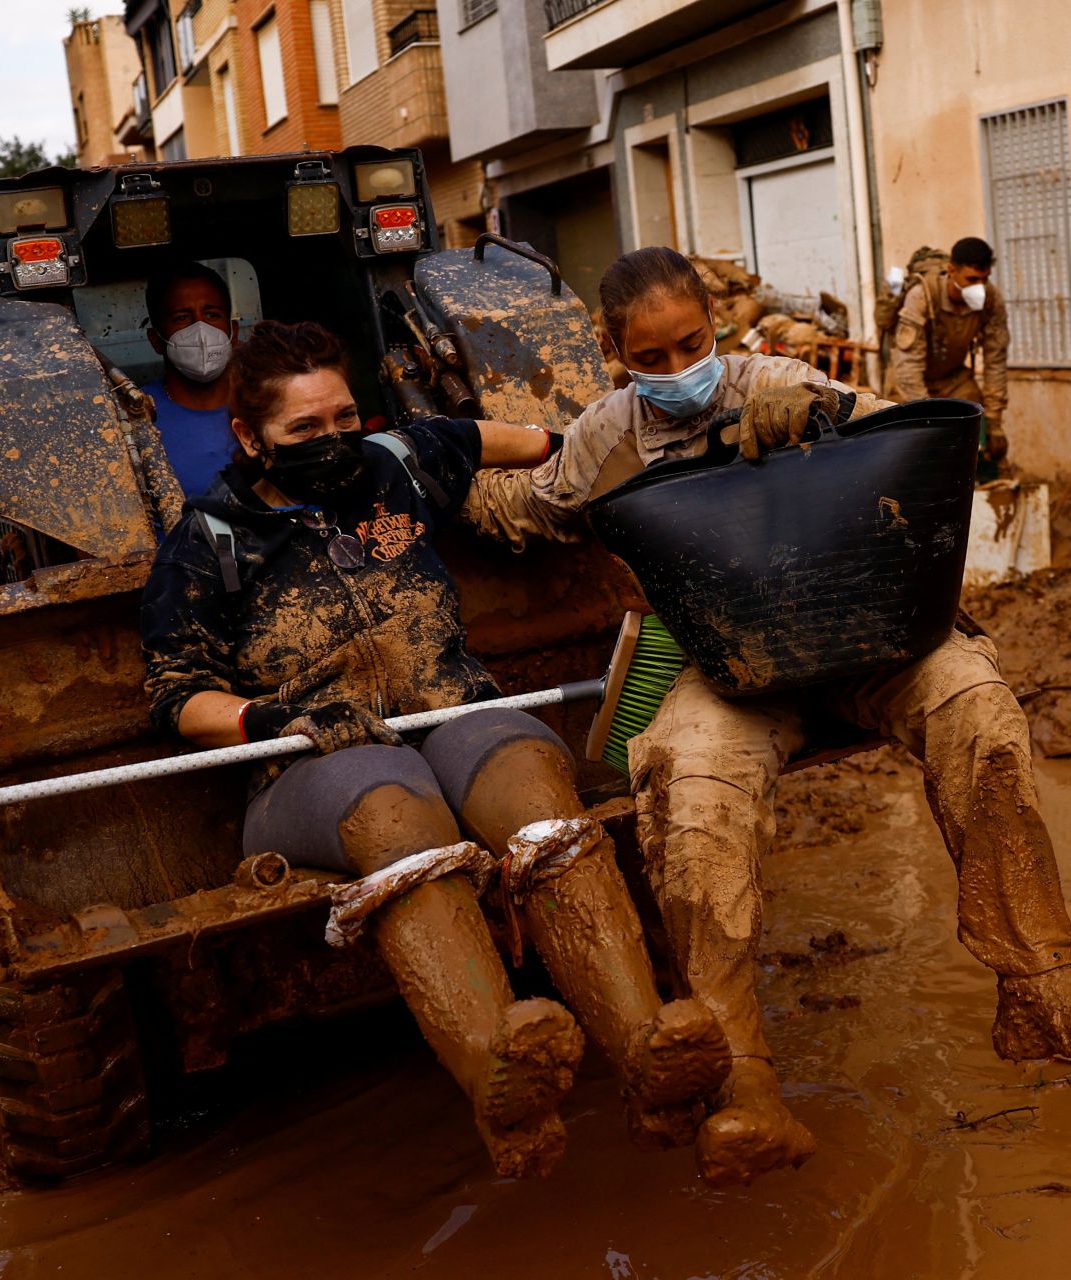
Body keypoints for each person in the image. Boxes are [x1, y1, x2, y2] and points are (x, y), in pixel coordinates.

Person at [464, 246, 1071, 1188]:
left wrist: (826, 421)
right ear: (613, 350)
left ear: (716, 325)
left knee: (977, 705)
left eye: (691, 345)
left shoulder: (778, 382)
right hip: (733, 665)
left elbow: (913, 450)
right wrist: (432, 466)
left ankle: (1040, 984)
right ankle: (745, 1083)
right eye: (649, 357)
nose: (676, 371)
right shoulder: (605, 436)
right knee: (691, 789)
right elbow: (532, 508)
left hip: (865, 631)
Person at [140, 320, 732, 1178]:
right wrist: (269, 720)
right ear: (248, 437)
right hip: (312, 764)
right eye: (303, 430)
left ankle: (647, 1052)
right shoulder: (209, 541)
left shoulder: (402, 461)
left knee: (533, 783)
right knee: (394, 806)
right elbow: (175, 695)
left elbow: (532, 442)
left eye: (343, 418)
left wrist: (630, 459)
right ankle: (501, 1079)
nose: (333, 441)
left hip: (455, 712)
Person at [886, 237, 1011, 466]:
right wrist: (928, 421)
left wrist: (994, 422)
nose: (979, 287)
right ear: (951, 271)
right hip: (907, 384)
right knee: (911, 450)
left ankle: (979, 484)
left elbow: (996, 360)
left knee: (974, 422)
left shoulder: (991, 300)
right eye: (972, 279)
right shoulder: (923, 296)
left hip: (952, 379)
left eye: (984, 280)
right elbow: (908, 367)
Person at [142, 262, 241, 498]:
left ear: (233, 331)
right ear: (156, 340)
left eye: (212, 314)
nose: (201, 330)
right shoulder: (136, 414)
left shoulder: (267, 403)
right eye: (182, 317)